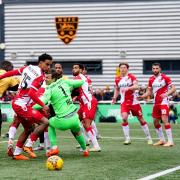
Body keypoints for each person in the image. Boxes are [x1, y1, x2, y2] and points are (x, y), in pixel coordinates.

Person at [0, 53, 52, 160]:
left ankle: (17, 153)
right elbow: (32, 94)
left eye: (50, 65)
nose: (48, 67)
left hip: (17, 102)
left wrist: (0, 76)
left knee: (29, 128)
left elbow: (13, 72)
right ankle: (28, 145)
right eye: (47, 64)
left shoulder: (29, 67)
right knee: (45, 122)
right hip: (22, 105)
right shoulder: (40, 76)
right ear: (41, 62)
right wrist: (43, 105)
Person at [33, 70, 89, 157]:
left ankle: (54, 148)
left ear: (54, 78)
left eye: (47, 77)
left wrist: (30, 107)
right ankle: (85, 150)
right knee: (77, 132)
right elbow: (81, 82)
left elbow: (41, 103)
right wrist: (73, 86)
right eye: (45, 77)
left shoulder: (49, 89)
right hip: (74, 118)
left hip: (63, 121)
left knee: (49, 123)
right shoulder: (65, 81)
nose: (45, 79)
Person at [112, 62, 153, 145]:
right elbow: (117, 89)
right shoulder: (117, 79)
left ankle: (149, 138)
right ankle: (127, 139)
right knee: (124, 118)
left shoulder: (131, 77)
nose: (122, 69)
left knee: (141, 119)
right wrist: (114, 97)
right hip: (123, 102)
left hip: (134, 102)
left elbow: (137, 86)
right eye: (121, 68)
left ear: (127, 69)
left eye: (124, 67)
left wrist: (128, 88)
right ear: (119, 69)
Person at [138, 62, 176, 147]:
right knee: (155, 122)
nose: (155, 70)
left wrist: (167, 94)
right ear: (152, 69)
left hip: (164, 102)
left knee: (165, 119)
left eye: (157, 68)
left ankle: (170, 141)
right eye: (154, 68)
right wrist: (141, 96)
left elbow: (173, 88)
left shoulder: (165, 77)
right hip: (156, 103)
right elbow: (149, 92)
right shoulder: (151, 79)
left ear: (160, 69)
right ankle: (162, 140)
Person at [72, 63, 101, 152]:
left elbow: (71, 88)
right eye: (73, 68)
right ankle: (85, 142)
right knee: (74, 122)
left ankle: (96, 146)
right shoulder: (79, 78)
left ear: (81, 70)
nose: (74, 69)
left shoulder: (79, 77)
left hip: (89, 102)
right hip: (84, 103)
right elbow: (78, 91)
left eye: (76, 68)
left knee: (86, 124)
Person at [0, 61, 19, 136]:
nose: (12, 71)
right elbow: (16, 87)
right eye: (12, 69)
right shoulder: (8, 76)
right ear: (8, 67)